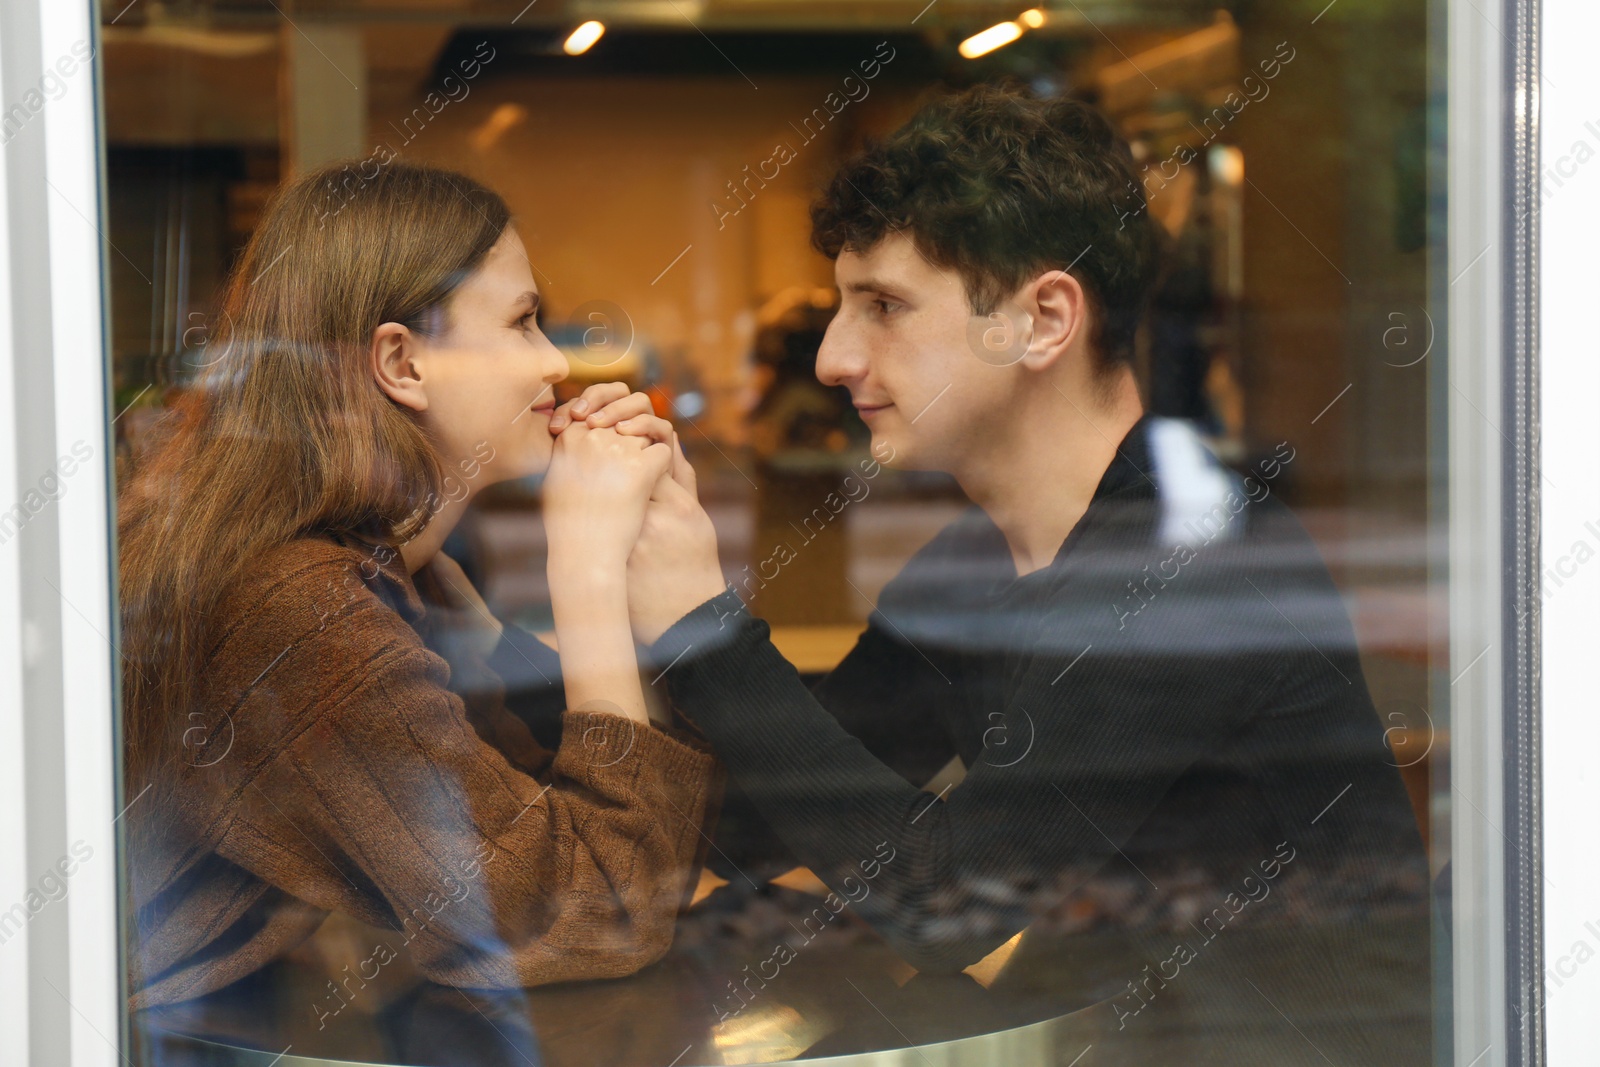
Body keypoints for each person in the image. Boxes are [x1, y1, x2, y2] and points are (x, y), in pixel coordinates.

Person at [619, 85, 1432, 1059]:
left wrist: (702, 624)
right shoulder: (973, 560)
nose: (834, 358)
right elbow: (778, 808)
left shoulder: (1187, 561)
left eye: (884, 305)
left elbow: (946, 904)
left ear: (1044, 319)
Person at [117, 160, 720, 1009]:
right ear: (401, 363)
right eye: (523, 322)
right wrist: (585, 573)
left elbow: (594, 837)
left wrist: (492, 634)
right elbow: (600, 908)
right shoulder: (302, 610)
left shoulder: (396, 574)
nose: (554, 363)